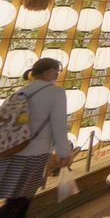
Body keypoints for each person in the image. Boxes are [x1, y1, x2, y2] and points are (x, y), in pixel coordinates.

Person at [0, 59, 71, 218]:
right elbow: (59, 123)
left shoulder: (20, 92)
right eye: (56, 72)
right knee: (21, 198)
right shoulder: (56, 92)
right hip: (35, 153)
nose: (57, 76)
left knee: (15, 197)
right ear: (48, 72)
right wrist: (63, 152)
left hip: (11, 150)